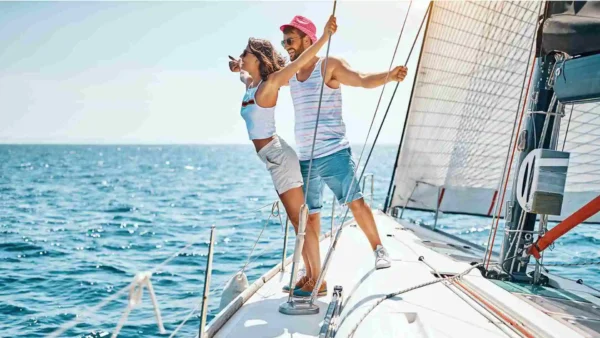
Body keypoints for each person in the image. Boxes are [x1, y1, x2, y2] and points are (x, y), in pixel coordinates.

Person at [279, 15, 408, 298]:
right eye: (284, 41)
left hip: (333, 152)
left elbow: (361, 80)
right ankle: (313, 273)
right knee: (310, 217)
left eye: (290, 40)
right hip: (305, 159)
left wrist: (389, 75)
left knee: (356, 204)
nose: (286, 45)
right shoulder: (291, 71)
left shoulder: (328, 65)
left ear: (308, 40)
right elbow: (269, 75)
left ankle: (379, 249)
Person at [228, 15, 337, 297]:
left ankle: (318, 280)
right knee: (298, 220)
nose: (242, 57)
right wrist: (237, 67)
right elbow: (242, 73)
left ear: (259, 58)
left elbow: (300, 63)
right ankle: (312, 277)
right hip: (274, 160)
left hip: (280, 158)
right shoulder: (250, 84)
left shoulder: (271, 83)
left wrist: (324, 38)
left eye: (245, 54)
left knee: (301, 220)